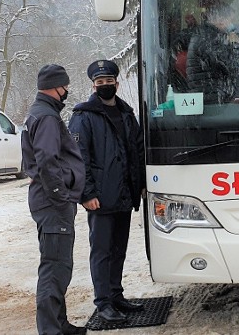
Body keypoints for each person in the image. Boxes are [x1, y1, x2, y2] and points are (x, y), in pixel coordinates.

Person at [68, 60, 146, 324]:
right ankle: (103, 303)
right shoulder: (83, 115)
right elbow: (79, 158)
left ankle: (116, 295)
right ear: (93, 85)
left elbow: (137, 151)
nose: (104, 86)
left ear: (116, 83)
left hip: (124, 195)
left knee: (119, 249)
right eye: (99, 83)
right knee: (101, 251)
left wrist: (141, 185)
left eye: (108, 82)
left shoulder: (126, 113)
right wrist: (86, 194)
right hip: (99, 198)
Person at [21, 64, 87, 335]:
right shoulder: (47, 117)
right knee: (54, 267)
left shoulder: (38, 113)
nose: (67, 91)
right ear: (56, 86)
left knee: (59, 263)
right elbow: (47, 159)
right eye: (65, 86)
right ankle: (50, 329)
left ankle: (59, 324)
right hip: (53, 201)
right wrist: (61, 196)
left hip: (47, 199)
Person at [185, 0, 239, 103]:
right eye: (230, 20)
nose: (232, 25)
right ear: (220, 20)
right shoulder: (209, 38)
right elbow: (231, 66)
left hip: (212, 97)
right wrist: (235, 45)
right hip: (213, 102)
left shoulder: (207, 35)